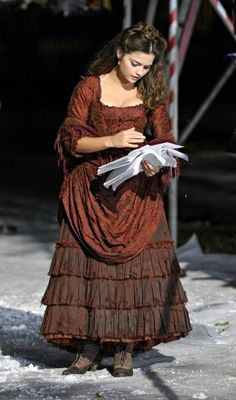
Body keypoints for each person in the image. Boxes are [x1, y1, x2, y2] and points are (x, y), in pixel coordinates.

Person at [40, 21, 191, 378]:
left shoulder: (150, 93)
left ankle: (125, 348)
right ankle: (88, 346)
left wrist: (155, 159)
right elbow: (70, 139)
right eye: (135, 63)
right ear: (119, 53)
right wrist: (112, 140)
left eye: (147, 66)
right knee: (89, 272)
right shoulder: (90, 87)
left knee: (131, 274)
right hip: (90, 191)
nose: (140, 72)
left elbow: (164, 136)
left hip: (135, 191)